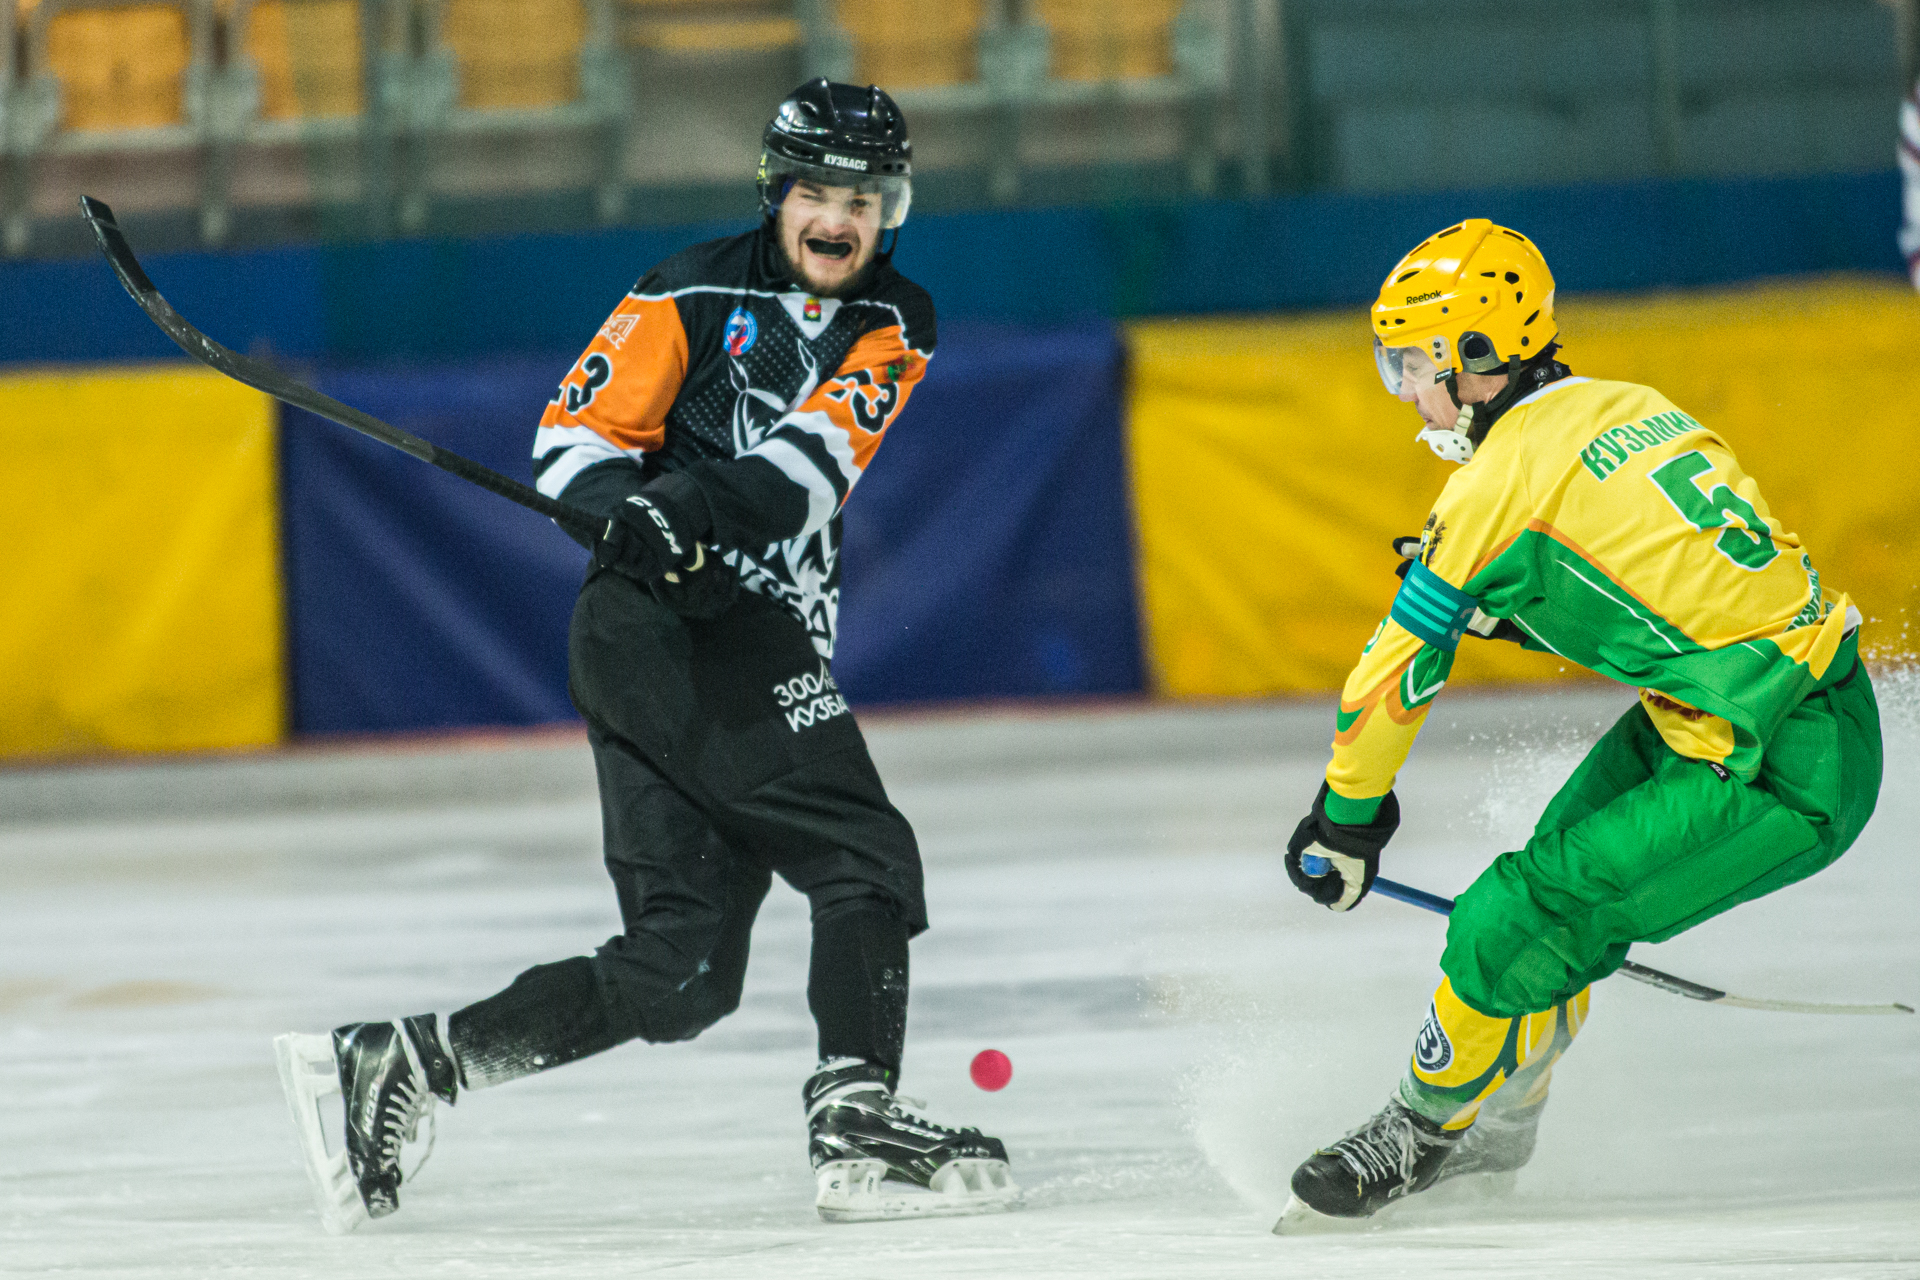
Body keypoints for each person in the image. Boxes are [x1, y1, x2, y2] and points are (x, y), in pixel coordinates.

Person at [275, 79, 1017, 1234]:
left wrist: (685, 505)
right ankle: (856, 1115)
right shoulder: (685, 285)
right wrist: (632, 505)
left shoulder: (896, 321)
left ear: (893, 211)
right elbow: (572, 441)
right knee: (863, 851)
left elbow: (810, 464)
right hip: (662, 629)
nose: (838, 219)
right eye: (817, 192)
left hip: (713, 626)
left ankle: (408, 1061)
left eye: (864, 199)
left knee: (681, 973)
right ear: (777, 195)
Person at [1273, 219, 1880, 1231]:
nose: (1412, 394)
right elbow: (1684, 574)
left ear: (1480, 355)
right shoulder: (1629, 406)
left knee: (1510, 914)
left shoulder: (1492, 485)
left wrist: (1346, 817)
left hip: (1774, 758)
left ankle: (1423, 1125)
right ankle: (1505, 1115)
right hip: (1759, 709)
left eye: (1416, 364)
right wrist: (1519, 605)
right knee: (1553, 880)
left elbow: (1392, 674)